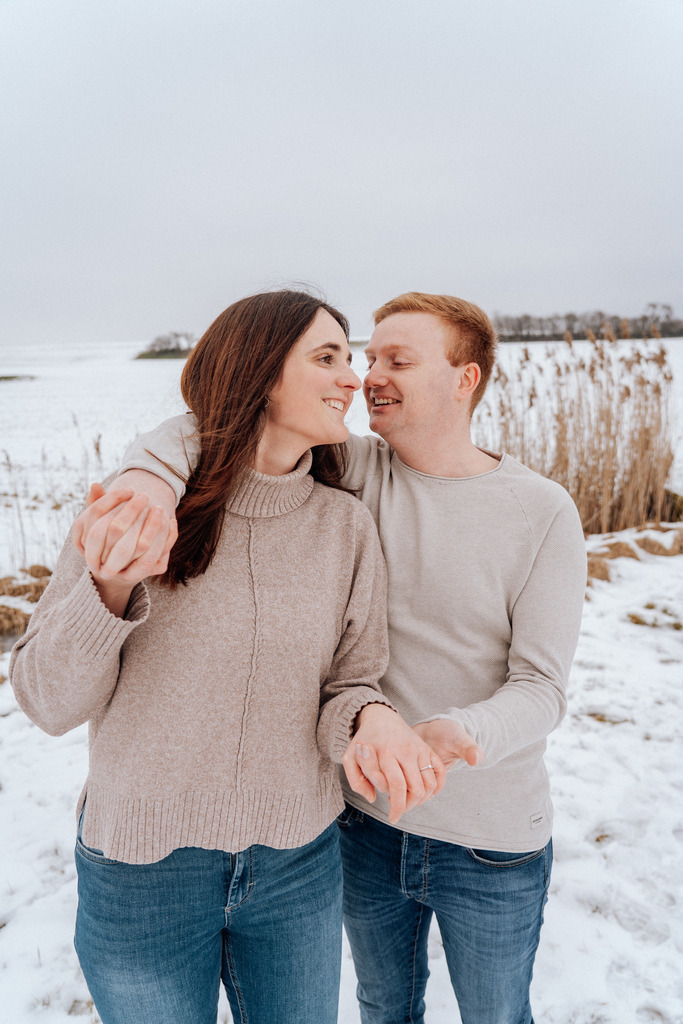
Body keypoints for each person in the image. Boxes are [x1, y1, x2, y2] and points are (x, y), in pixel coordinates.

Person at [88, 291, 587, 1024]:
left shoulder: (540, 510)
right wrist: (146, 483)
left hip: (488, 835)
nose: (368, 376)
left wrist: (459, 732)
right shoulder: (352, 468)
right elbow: (218, 424)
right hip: (364, 819)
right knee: (382, 1005)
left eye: (398, 361)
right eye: (366, 356)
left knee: (498, 1013)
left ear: (465, 379)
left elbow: (542, 686)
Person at [9, 289, 447, 1024]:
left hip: (299, 867)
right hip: (143, 872)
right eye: (328, 357)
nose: (352, 378)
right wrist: (110, 586)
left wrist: (371, 718)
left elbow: (349, 683)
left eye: (351, 358)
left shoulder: (344, 527)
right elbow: (47, 702)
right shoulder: (141, 511)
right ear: (259, 371)